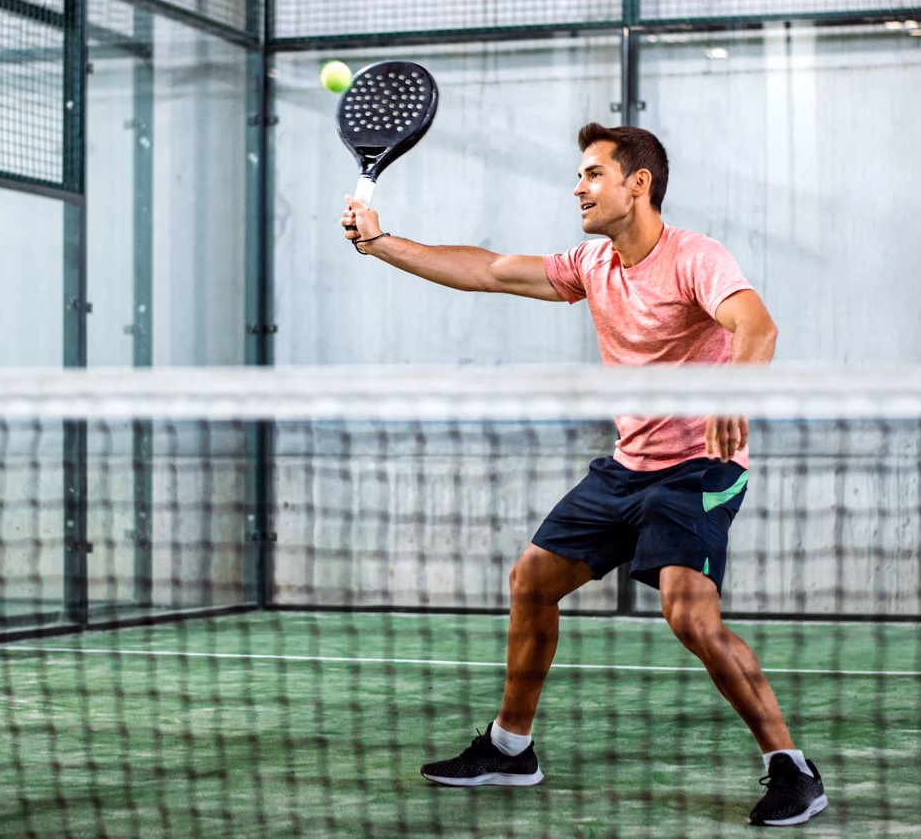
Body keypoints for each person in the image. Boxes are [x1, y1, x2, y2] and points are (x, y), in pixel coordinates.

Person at [340, 123, 829, 827]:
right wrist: (382, 242)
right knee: (531, 582)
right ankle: (510, 749)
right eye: (579, 175)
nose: (578, 188)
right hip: (626, 467)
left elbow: (757, 326)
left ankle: (792, 769)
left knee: (689, 614)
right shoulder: (593, 265)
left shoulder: (694, 257)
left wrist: (733, 396)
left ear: (639, 183)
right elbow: (490, 270)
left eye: (594, 174)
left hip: (698, 468)